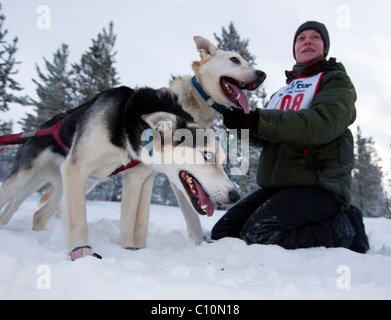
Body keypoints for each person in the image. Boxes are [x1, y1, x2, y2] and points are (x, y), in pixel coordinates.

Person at [211, 21, 369, 253]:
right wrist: (241, 125)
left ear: (325, 47)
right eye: (301, 38)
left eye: (315, 37)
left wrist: (257, 120)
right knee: (223, 234)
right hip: (277, 187)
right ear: (295, 48)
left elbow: (322, 124)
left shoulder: (335, 81)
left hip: (318, 185)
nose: (307, 41)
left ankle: (347, 226)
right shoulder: (282, 93)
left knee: (259, 236)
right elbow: (268, 137)